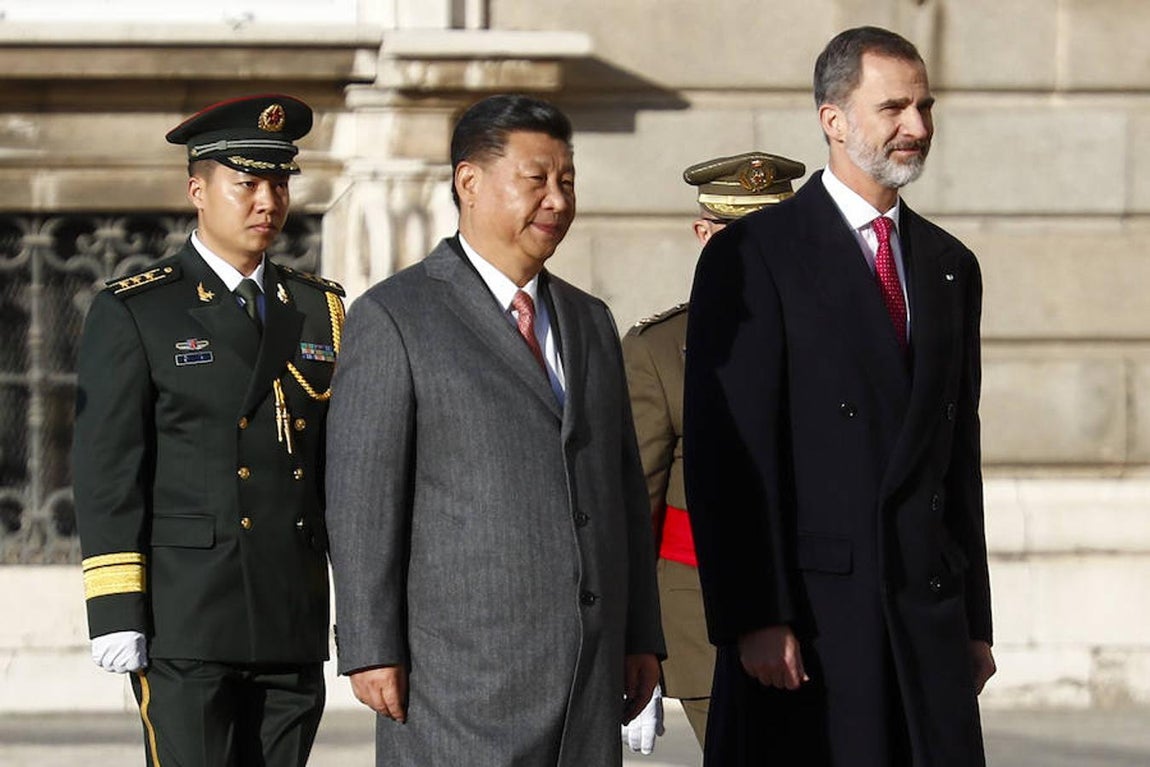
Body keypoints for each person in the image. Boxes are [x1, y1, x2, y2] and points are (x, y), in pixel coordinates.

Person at [683, 26, 996, 766]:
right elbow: (730, 455)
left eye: (924, 107)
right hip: (812, 625)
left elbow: (959, 458)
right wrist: (755, 615)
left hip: (925, 616)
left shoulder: (951, 265)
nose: (916, 127)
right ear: (833, 119)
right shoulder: (754, 254)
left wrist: (975, 621)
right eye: (893, 108)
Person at [324, 93, 665, 766]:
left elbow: (624, 490)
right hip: (458, 685)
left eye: (567, 181)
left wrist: (641, 635)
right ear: (469, 183)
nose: (558, 200)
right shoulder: (396, 316)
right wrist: (370, 646)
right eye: (536, 179)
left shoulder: (589, 319)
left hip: (587, 681)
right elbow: (363, 498)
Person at [72, 93, 344, 767]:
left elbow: (343, 470)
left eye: (278, 182)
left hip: (290, 614)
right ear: (198, 190)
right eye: (246, 183)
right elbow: (108, 471)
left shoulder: (319, 308)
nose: (267, 201)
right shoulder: (140, 309)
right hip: (186, 618)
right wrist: (115, 608)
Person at [620, 150, 805, 751]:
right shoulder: (659, 349)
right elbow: (634, 509)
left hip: (830, 614)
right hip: (706, 628)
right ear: (705, 235)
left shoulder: (837, 335)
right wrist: (633, 646)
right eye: (736, 235)